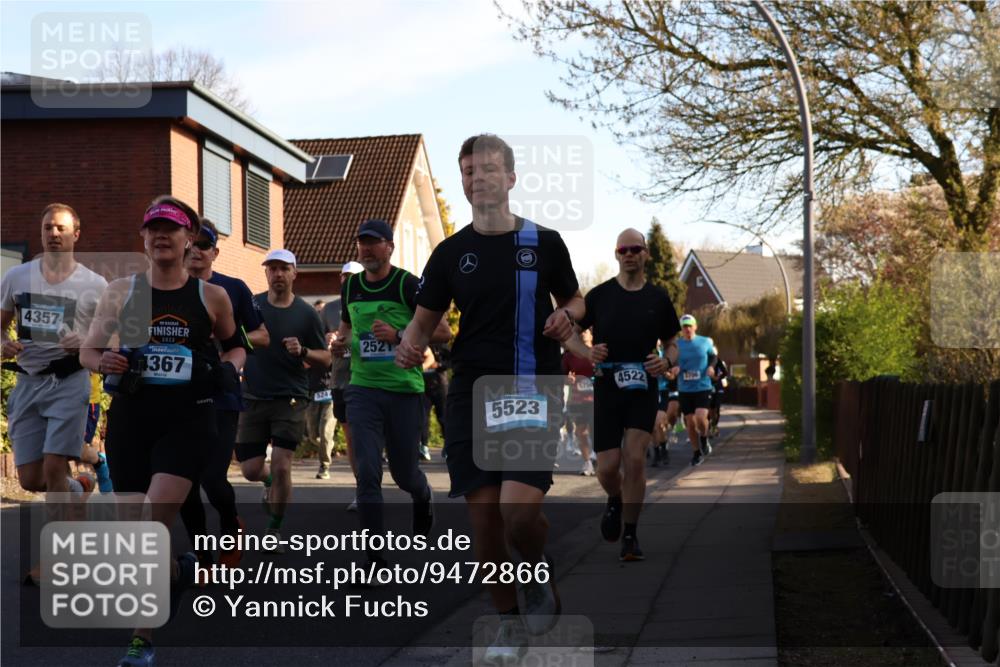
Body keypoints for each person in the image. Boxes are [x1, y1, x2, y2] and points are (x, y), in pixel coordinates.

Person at [396, 134, 582, 662]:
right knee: (483, 521)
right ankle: (507, 623)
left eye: (488, 170)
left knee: (517, 514)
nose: (477, 179)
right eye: (469, 172)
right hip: (471, 395)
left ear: (511, 178)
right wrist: (408, 348)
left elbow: (574, 296)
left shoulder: (543, 242)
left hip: (531, 389)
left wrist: (570, 315)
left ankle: (535, 568)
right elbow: (423, 322)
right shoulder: (451, 252)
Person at [80, 196, 245, 667]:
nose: (160, 236)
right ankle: (176, 572)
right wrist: (104, 359)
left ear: (188, 237)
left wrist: (229, 370)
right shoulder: (120, 292)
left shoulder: (210, 296)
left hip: (188, 420)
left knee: (152, 525)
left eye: (170, 229)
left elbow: (235, 347)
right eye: (152, 229)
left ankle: (141, 639)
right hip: (132, 421)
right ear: (143, 239)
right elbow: (88, 352)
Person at [330, 219, 451, 568]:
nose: (366, 249)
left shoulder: (407, 284)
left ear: (389, 247)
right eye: (361, 242)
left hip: (403, 391)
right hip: (363, 390)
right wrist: (340, 345)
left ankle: (423, 494)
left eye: (374, 242)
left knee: (404, 474)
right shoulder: (351, 287)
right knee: (367, 471)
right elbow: (347, 329)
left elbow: (441, 331)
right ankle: (374, 560)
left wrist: (399, 335)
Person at [563, 229, 680, 562]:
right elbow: (568, 335)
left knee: (635, 457)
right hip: (608, 387)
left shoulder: (658, 298)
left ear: (645, 254)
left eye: (636, 249)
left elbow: (672, 342)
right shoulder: (599, 296)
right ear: (616, 255)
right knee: (608, 467)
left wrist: (667, 360)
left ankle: (630, 535)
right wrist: (585, 353)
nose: (629, 254)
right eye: (623, 249)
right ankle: (614, 498)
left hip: (643, 385)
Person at [179, 218, 269, 569]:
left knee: (213, 480)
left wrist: (229, 344)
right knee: (184, 483)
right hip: (176, 399)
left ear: (215, 252)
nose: (196, 250)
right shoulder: (162, 288)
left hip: (221, 396)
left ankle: (231, 527)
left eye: (204, 245)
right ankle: (202, 558)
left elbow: (262, 336)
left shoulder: (233, 288)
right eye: (191, 243)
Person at [1, 203, 107, 497]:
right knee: (31, 480)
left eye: (61, 228)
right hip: (27, 380)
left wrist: (85, 341)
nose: (54, 234)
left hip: (69, 382)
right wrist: (3, 344)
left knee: (53, 466)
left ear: (76, 234)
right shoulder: (17, 277)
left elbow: (115, 336)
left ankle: (66, 538)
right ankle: (80, 486)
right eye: (48, 228)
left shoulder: (95, 284)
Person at [235, 249, 329, 550]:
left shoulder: (306, 313)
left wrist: (303, 351)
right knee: (250, 469)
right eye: (272, 269)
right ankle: (268, 485)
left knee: (282, 465)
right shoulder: (253, 305)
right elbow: (234, 338)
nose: (277, 274)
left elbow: (325, 358)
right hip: (252, 395)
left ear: (294, 273)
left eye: (283, 269)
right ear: (266, 273)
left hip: (291, 397)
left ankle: (274, 526)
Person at [320, 261, 364, 509]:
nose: (349, 281)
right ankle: (362, 488)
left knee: (369, 436)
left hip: (367, 377)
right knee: (352, 437)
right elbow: (321, 348)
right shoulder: (329, 309)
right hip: (340, 379)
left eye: (354, 277)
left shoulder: (368, 304)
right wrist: (328, 341)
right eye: (345, 276)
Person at [669, 314, 717, 467]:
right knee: (690, 423)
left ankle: (704, 437)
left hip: (702, 386)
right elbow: (672, 360)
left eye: (690, 326)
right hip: (685, 388)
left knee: (701, 418)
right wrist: (674, 368)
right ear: (681, 329)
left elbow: (714, 357)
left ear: (695, 326)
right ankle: (696, 453)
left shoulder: (706, 341)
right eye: (684, 326)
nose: (687, 329)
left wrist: (711, 367)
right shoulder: (676, 345)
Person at [305, 299, 335, 479]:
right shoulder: (312, 338)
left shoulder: (337, 336)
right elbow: (303, 363)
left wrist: (334, 346)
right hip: (313, 391)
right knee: (313, 435)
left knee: (325, 432)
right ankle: (325, 447)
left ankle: (324, 466)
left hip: (331, 392)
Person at [561, 328, 595, 476]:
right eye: (582, 331)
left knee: (595, 430)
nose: (583, 333)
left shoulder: (599, 352)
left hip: (597, 399)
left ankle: (598, 455)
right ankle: (588, 463)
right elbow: (561, 376)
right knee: (580, 431)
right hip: (578, 399)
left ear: (592, 334)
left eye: (587, 331)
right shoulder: (570, 355)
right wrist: (567, 380)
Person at [420, 343, 450, 461]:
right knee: (423, 417)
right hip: (423, 385)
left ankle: (448, 445)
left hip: (440, 385)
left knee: (443, 417)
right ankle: (424, 447)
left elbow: (451, 362)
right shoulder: (420, 341)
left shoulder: (442, 345)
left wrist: (439, 365)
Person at [708, 351, 729, 438]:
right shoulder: (702, 360)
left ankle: (714, 426)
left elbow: (725, 372)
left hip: (718, 387)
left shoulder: (717, 360)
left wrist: (717, 377)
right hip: (707, 387)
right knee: (709, 409)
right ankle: (709, 428)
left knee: (717, 408)